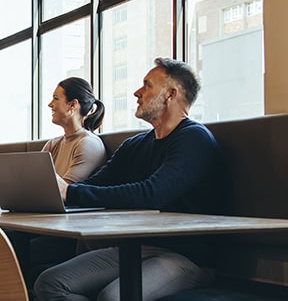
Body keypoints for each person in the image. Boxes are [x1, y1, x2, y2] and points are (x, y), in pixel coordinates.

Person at [34, 58, 224, 301]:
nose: (137, 92)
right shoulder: (135, 145)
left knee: (113, 297)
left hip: (184, 256)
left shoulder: (194, 139)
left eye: (147, 85)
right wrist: (50, 191)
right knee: (50, 283)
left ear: (171, 94)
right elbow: (96, 184)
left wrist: (69, 192)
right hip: (134, 248)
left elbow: (151, 194)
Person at [0, 77, 106, 201]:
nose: (50, 104)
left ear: (73, 105)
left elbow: (63, 192)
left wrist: (5, 191)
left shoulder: (89, 144)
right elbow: (32, 184)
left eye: (55, 98)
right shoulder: (53, 144)